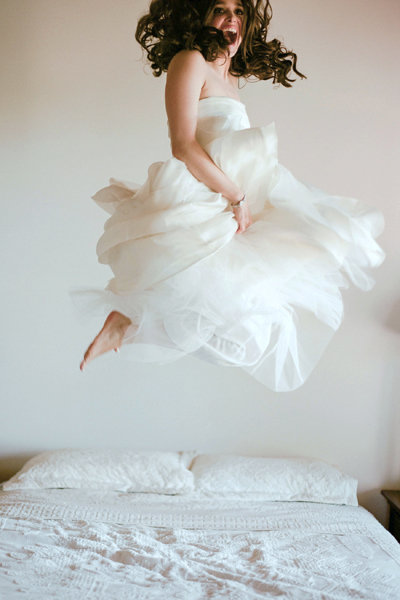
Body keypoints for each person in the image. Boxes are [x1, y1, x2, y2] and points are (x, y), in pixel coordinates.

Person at [79, 0, 384, 391]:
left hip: (238, 199)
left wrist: (246, 198)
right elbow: (184, 145)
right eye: (221, 9)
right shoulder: (189, 61)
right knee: (220, 316)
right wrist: (236, 197)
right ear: (200, 16)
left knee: (256, 332)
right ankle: (128, 321)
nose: (231, 19)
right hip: (208, 199)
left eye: (239, 11)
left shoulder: (231, 78)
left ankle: (132, 324)